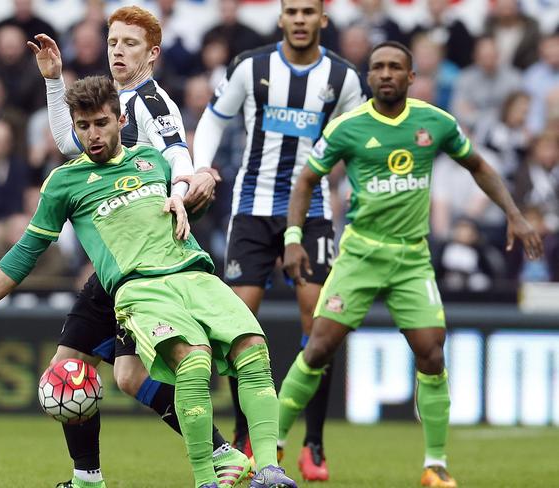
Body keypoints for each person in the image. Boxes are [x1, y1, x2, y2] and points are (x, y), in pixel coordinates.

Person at [0, 75, 297, 488]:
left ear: (121, 119)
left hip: (185, 274)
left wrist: (198, 197)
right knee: (76, 371)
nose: (92, 135)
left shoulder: (153, 161)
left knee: (150, 371)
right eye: (83, 126)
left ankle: (258, 468)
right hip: (130, 287)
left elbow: (180, 215)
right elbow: (24, 253)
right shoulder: (64, 182)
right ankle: (97, 477)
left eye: (101, 123)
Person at [276, 40, 544, 488]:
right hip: (360, 253)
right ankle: (273, 446)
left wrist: (514, 214)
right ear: (369, 77)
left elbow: (478, 164)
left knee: (432, 353)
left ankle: (434, 465)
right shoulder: (348, 127)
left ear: (411, 77)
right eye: (377, 66)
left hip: (411, 258)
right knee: (318, 347)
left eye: (394, 67)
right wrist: (293, 237)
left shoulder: (434, 123)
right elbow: (306, 179)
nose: (385, 73)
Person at [26, 7, 239, 488]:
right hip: (119, 265)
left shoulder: (150, 101)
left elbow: (177, 154)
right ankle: (217, 454)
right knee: (122, 375)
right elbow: (69, 142)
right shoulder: (117, 100)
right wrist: (55, 81)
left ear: (153, 53)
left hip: (149, 265)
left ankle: (95, 478)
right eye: (113, 41)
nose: (118, 50)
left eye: (130, 43)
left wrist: (188, 184)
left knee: (71, 368)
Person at [192, 0, 364, 481]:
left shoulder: (344, 79)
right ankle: (245, 434)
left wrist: (354, 196)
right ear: (283, 18)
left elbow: (358, 143)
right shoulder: (252, 66)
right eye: (293, 11)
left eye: (310, 11)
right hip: (251, 211)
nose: (302, 19)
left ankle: (313, 443)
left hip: (310, 216)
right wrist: (203, 167)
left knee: (321, 326)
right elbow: (213, 118)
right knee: (236, 325)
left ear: (322, 20)